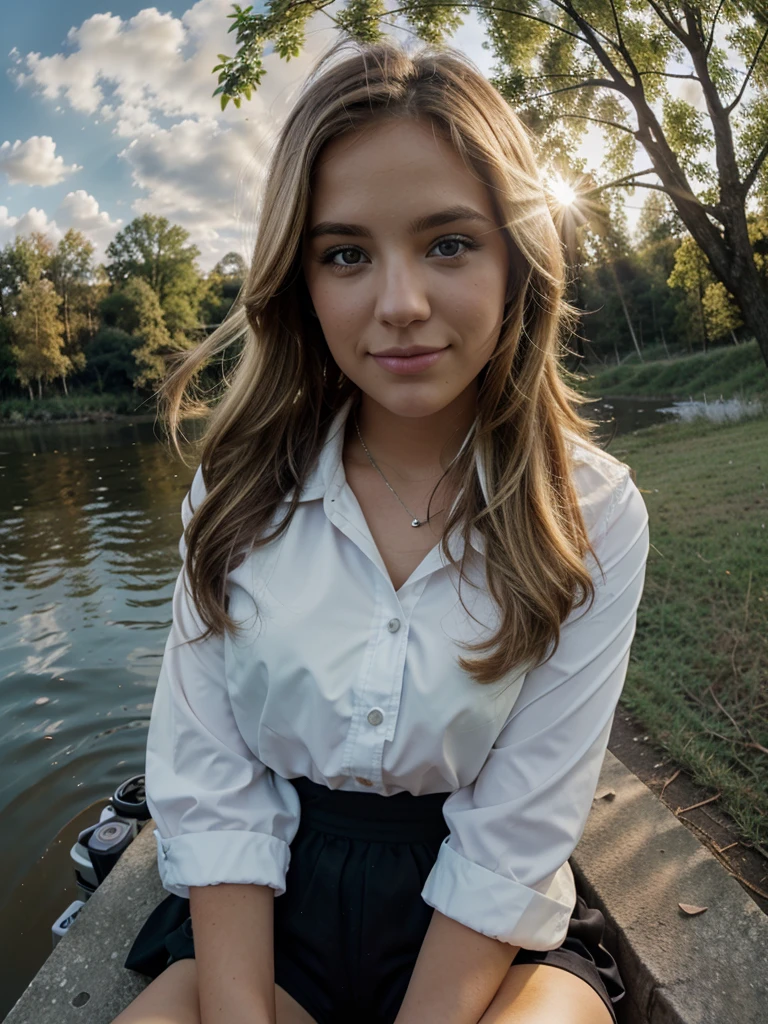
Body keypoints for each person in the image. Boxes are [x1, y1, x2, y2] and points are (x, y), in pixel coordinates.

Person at [114, 35, 649, 1024]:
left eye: (449, 242)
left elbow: (517, 825)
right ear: (300, 280)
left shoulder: (594, 509)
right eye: (347, 254)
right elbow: (211, 778)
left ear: (517, 258)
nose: (399, 305)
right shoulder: (233, 493)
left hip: (480, 926)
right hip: (266, 907)